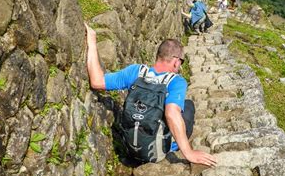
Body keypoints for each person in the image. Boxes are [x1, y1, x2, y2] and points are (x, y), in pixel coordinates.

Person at [85, 25, 217, 167]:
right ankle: (174, 144)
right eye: (181, 62)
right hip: (157, 151)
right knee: (188, 105)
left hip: (131, 148)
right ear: (176, 61)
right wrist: (189, 153)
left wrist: (92, 42)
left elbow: (97, 82)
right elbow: (172, 113)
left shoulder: (135, 71)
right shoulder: (176, 81)